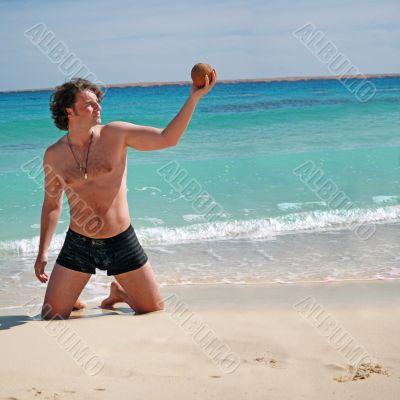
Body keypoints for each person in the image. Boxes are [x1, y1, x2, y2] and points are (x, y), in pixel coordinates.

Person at [34, 71, 217, 319]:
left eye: (98, 101)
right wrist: (43, 252)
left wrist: (193, 98)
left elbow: (167, 138)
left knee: (152, 310)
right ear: (69, 111)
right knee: (52, 317)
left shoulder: (116, 134)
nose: (98, 107)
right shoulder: (54, 155)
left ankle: (119, 293)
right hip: (79, 243)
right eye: (89, 104)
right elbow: (52, 206)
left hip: (120, 240)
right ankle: (72, 294)